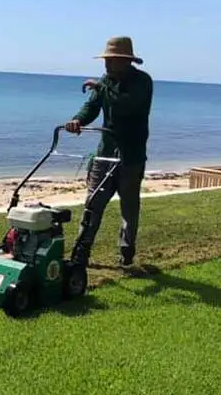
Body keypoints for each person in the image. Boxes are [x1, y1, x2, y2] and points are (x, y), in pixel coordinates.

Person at [64, 36, 153, 272]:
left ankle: (126, 254)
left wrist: (102, 87)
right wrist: (77, 120)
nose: (106, 65)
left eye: (111, 60)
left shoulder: (142, 82)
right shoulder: (105, 81)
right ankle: (80, 254)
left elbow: (127, 104)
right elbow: (92, 106)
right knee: (92, 204)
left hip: (131, 157)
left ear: (125, 61)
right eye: (106, 60)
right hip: (105, 153)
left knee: (129, 209)